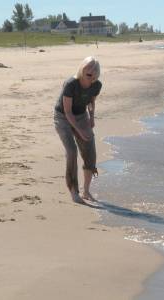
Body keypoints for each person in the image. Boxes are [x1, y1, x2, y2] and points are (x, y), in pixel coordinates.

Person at [54, 56, 102, 203]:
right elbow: (67, 112)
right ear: (81, 70)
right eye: (88, 74)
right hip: (63, 117)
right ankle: (74, 191)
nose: (91, 78)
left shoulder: (96, 85)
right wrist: (79, 131)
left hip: (81, 115)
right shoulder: (71, 84)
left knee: (89, 152)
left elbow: (91, 102)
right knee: (72, 151)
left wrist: (92, 118)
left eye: (94, 75)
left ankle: (86, 191)